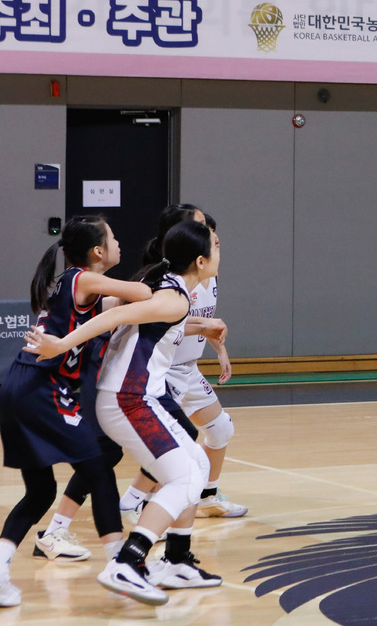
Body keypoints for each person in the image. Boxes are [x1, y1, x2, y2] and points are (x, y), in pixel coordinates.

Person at [26, 219, 227, 606]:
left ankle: (176, 560)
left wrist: (202, 328)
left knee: (197, 464)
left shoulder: (171, 289)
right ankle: (128, 562)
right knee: (185, 477)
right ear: (200, 261)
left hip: (133, 396)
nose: (220, 252)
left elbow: (148, 321)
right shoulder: (175, 297)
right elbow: (114, 317)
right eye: (216, 247)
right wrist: (62, 344)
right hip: (128, 398)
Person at [0, 217, 150, 605]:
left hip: (17, 387)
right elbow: (141, 292)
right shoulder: (83, 279)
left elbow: (119, 306)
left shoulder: (78, 288)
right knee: (98, 468)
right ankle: (120, 564)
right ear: (98, 251)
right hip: (41, 389)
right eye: (113, 237)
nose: (118, 242)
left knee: (41, 491)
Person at [119, 206, 244, 520]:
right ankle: (137, 500)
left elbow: (203, 319)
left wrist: (219, 349)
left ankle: (207, 496)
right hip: (163, 371)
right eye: (201, 226)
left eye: (209, 227)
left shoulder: (208, 272)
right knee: (176, 442)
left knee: (220, 429)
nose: (211, 232)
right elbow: (164, 319)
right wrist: (203, 327)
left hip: (189, 367)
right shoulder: (167, 281)